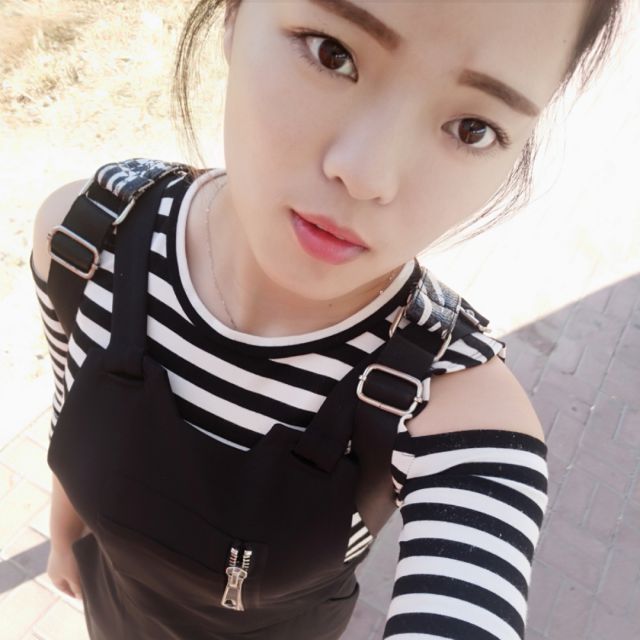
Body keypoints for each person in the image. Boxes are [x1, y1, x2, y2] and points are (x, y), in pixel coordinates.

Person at [29, 1, 624, 638]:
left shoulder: (453, 409)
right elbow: (69, 408)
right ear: (233, 18)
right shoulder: (87, 244)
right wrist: (64, 539)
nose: (367, 175)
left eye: (472, 128)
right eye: (332, 53)